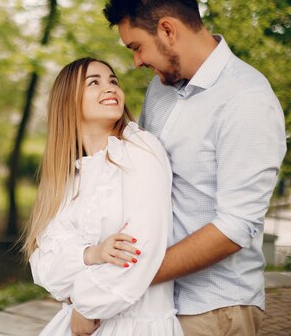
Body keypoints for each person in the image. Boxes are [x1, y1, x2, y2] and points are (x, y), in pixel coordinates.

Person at [68, 0, 286, 336]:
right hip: (151, 306)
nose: (136, 62)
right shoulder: (160, 90)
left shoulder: (246, 100)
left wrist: (120, 282)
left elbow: (236, 226)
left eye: (136, 47)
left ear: (168, 30)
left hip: (213, 308)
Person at [24, 57, 183, 336]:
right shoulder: (71, 175)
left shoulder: (140, 148)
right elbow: (45, 267)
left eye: (113, 81)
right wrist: (92, 254)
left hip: (135, 325)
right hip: (74, 323)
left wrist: (85, 306)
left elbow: (140, 251)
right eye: (94, 83)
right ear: (68, 101)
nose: (110, 88)